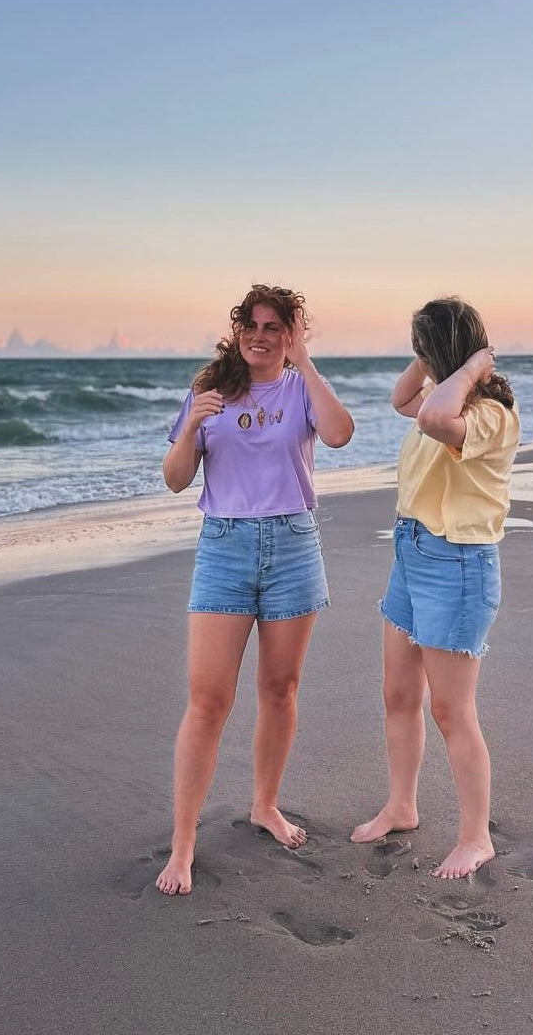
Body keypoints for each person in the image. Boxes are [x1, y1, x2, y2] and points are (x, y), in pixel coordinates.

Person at [156, 284, 354, 895]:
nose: (261, 335)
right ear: (238, 328)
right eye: (253, 324)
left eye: (276, 327)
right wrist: (190, 425)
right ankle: (182, 844)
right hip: (225, 546)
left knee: (280, 687)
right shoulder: (210, 392)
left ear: (291, 334)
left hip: (293, 545)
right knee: (208, 700)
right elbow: (175, 480)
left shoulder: (300, 389)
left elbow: (341, 433)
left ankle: (265, 805)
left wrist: (306, 363)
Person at [351, 297, 519, 879]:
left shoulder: (489, 416)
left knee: (451, 710)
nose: (416, 361)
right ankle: (402, 805)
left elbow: (430, 420)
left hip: (458, 566)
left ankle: (477, 837)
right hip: (410, 554)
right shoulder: (438, 397)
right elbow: (403, 402)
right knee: (398, 695)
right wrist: (431, 363)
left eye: (422, 347)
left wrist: (474, 367)